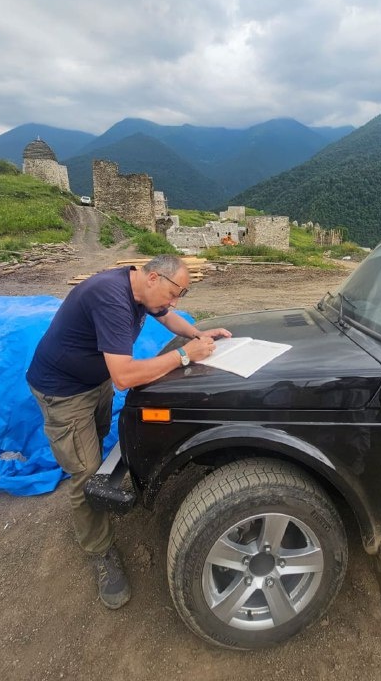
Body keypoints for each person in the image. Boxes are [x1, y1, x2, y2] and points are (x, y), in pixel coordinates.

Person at [26, 255, 231, 609]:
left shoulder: (142, 290)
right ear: (153, 278)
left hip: (94, 380)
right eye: (174, 292)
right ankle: (99, 551)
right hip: (63, 391)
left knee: (99, 439)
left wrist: (197, 333)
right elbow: (124, 377)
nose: (175, 302)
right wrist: (185, 355)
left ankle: (95, 507)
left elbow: (165, 315)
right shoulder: (111, 297)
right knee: (87, 474)